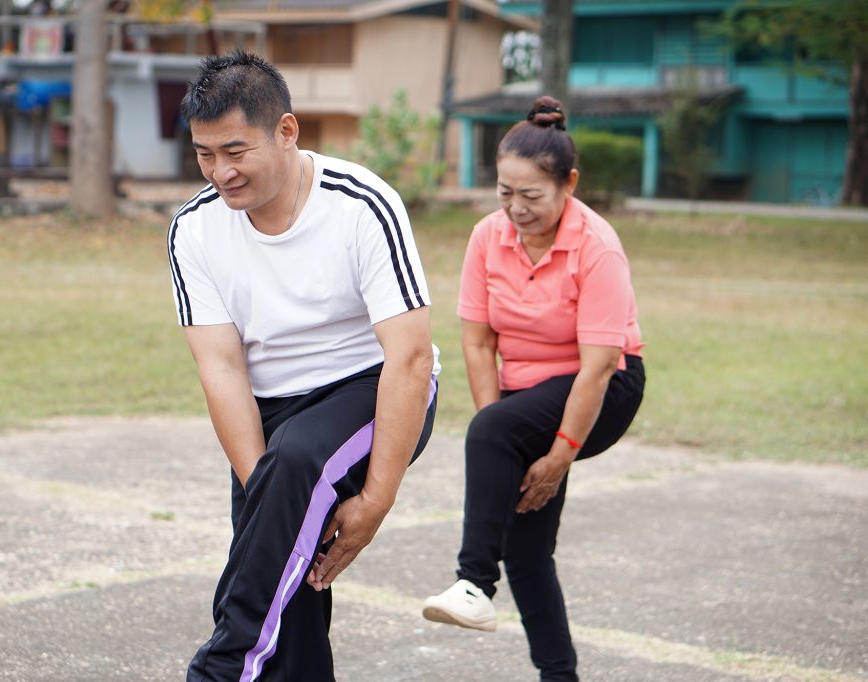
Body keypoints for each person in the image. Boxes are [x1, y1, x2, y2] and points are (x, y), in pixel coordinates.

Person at [167, 50, 439, 682]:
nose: (221, 172)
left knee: (292, 473)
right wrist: (262, 492)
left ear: (286, 131)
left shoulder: (362, 204)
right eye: (205, 155)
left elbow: (410, 358)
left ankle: (220, 669)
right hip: (270, 409)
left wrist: (376, 499)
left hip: (371, 387)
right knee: (288, 582)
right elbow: (221, 369)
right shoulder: (193, 229)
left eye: (236, 151)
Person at [421, 96, 645, 682]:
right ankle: (558, 675)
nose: (516, 208)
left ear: (569, 183)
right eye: (504, 192)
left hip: (607, 385)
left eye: (531, 195)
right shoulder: (486, 237)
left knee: (495, 432)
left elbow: (600, 366)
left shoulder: (596, 245)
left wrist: (559, 454)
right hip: (525, 400)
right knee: (525, 550)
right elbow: (477, 344)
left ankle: (473, 582)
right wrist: (501, 434)